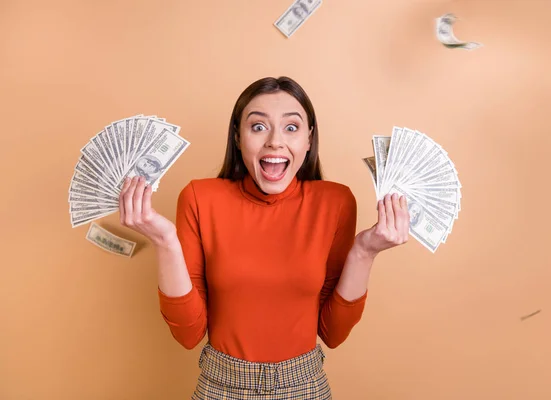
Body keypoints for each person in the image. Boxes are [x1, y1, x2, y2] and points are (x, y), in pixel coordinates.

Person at [118, 76, 410, 399]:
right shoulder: (199, 198)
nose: (274, 142)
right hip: (220, 387)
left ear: (309, 139)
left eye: (291, 127)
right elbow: (189, 334)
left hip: (305, 386)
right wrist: (165, 243)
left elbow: (333, 333)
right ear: (238, 138)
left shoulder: (336, 203)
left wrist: (365, 252)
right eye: (258, 127)